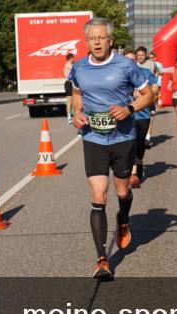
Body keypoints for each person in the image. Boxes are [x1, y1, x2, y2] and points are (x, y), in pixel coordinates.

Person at [69, 18, 154, 280]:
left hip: (122, 137)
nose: (96, 42)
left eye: (101, 37)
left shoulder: (126, 66)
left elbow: (149, 95)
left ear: (110, 41)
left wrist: (129, 108)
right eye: (91, 38)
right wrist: (76, 113)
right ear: (86, 41)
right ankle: (102, 259)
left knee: (122, 191)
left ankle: (123, 219)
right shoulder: (79, 67)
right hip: (93, 137)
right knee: (98, 194)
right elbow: (77, 94)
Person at [123, 49, 159, 188]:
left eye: (132, 60)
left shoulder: (144, 73)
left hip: (142, 114)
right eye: (127, 60)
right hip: (126, 115)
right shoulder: (119, 74)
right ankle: (132, 175)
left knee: (139, 145)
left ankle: (139, 162)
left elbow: (155, 88)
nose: (129, 62)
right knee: (129, 144)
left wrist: (145, 92)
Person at [63, 53, 75, 120]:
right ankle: (69, 117)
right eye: (73, 58)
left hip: (73, 84)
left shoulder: (71, 64)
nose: (74, 59)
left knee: (74, 100)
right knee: (69, 101)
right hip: (69, 84)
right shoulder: (68, 65)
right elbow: (74, 69)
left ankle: (73, 115)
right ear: (71, 58)